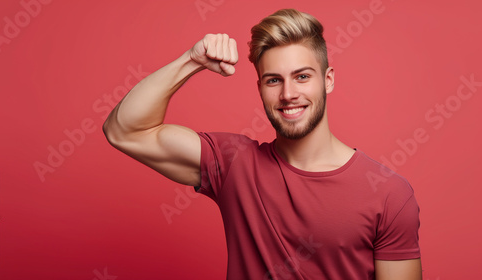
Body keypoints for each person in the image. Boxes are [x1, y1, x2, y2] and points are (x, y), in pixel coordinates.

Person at [103, 8, 422, 280]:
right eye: (274, 80)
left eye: (302, 76)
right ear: (260, 87)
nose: (288, 94)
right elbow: (124, 130)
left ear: (328, 80)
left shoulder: (389, 194)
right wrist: (192, 60)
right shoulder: (233, 164)